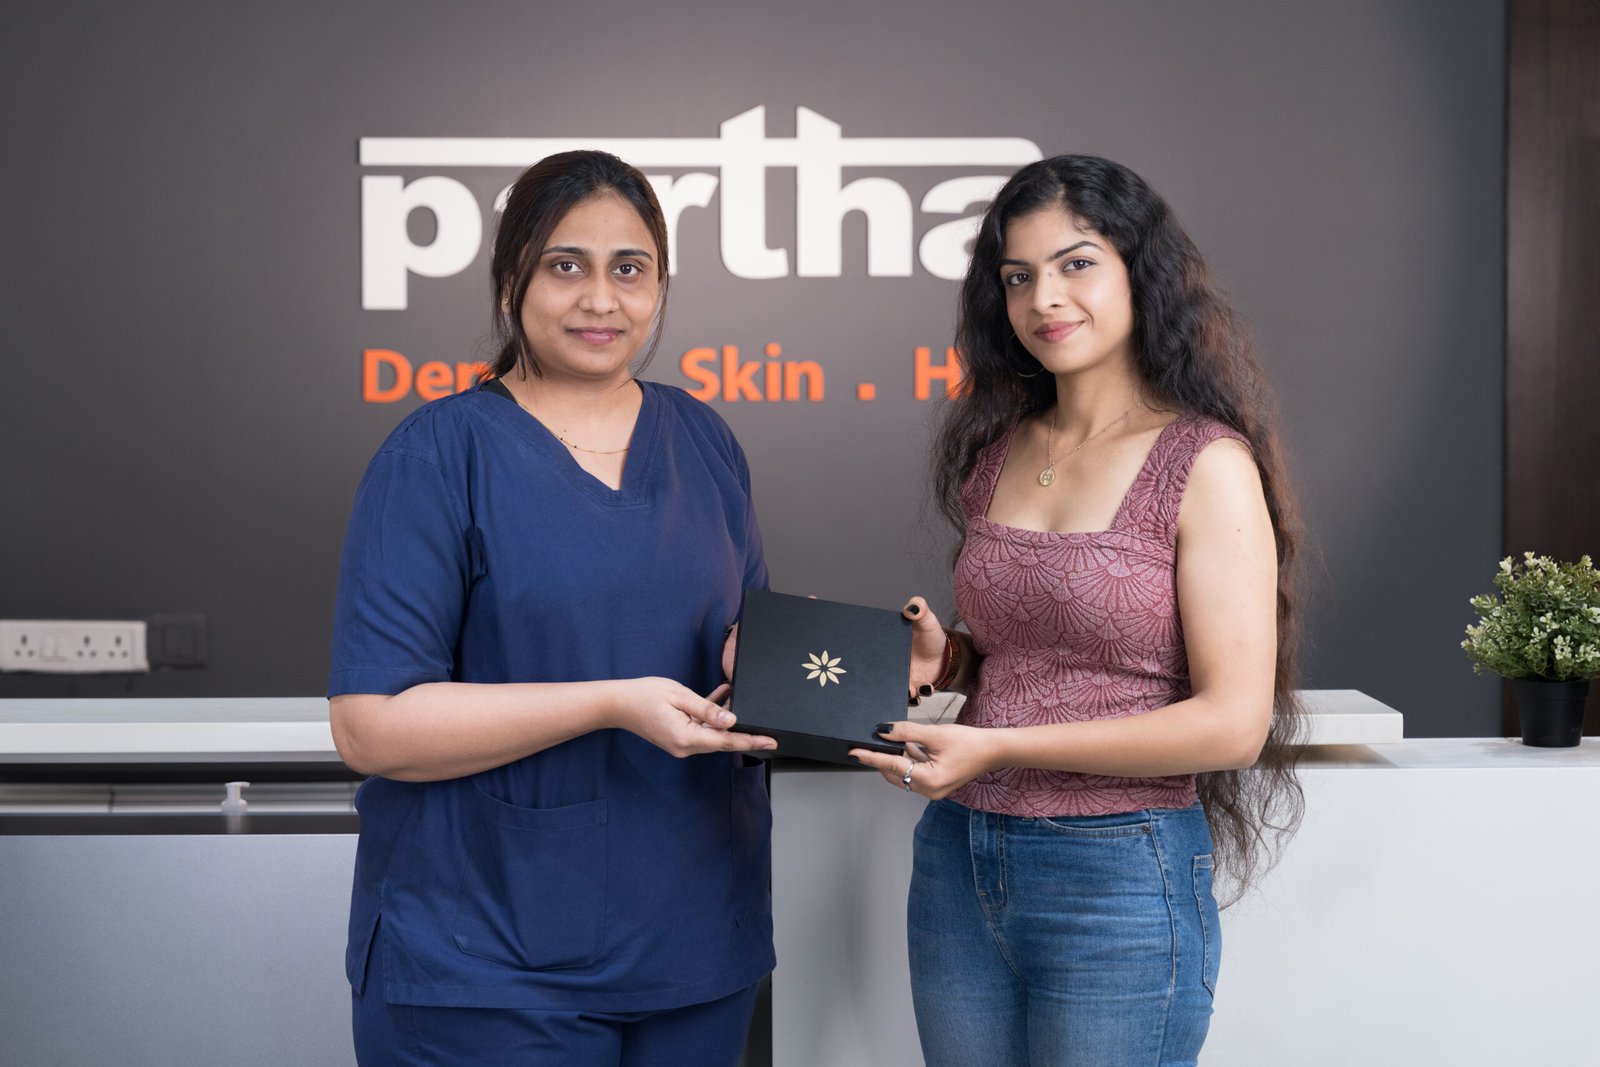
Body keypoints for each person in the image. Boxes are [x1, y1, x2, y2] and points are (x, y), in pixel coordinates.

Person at [850, 155, 1304, 1067]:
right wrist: (952, 659)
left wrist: (1002, 747)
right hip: (960, 859)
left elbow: (1232, 724)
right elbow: (1037, 655)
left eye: (1077, 264)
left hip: (1118, 871)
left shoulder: (1204, 462)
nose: (1044, 298)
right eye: (1018, 277)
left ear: (1142, 271)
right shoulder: (1000, 447)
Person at [327, 150, 777, 1066]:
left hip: (693, 945)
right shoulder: (437, 455)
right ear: (511, 282)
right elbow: (370, 726)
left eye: (629, 269)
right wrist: (610, 701)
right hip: (482, 961)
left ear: (660, 285)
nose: (600, 298)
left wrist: (867, 666)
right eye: (565, 265)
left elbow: (753, 655)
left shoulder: (704, 441)